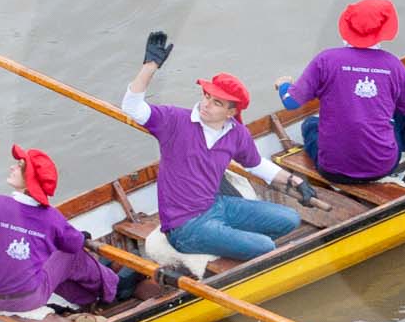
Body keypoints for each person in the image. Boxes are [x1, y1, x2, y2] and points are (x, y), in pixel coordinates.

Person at [122, 31, 309, 261]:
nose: (206, 104)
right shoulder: (174, 121)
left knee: (290, 218)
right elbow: (132, 108)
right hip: (184, 226)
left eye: (217, 102)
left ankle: (229, 241)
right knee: (265, 246)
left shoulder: (236, 132)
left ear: (231, 112)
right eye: (207, 96)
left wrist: (294, 180)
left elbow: (256, 164)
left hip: (216, 205)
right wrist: (150, 66)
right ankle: (234, 243)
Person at [274, 0, 405, 184]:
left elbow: (290, 102)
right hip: (382, 166)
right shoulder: (393, 65)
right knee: (400, 118)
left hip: (331, 169)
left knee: (309, 124)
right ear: (384, 30)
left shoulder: (325, 60)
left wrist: (284, 85)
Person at [0, 144, 141, 314]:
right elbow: (74, 243)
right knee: (70, 255)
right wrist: (81, 237)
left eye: (19, 165)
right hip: (26, 300)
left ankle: (87, 298)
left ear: (30, 180)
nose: (12, 167)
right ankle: (115, 286)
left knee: (47, 259)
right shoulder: (50, 217)